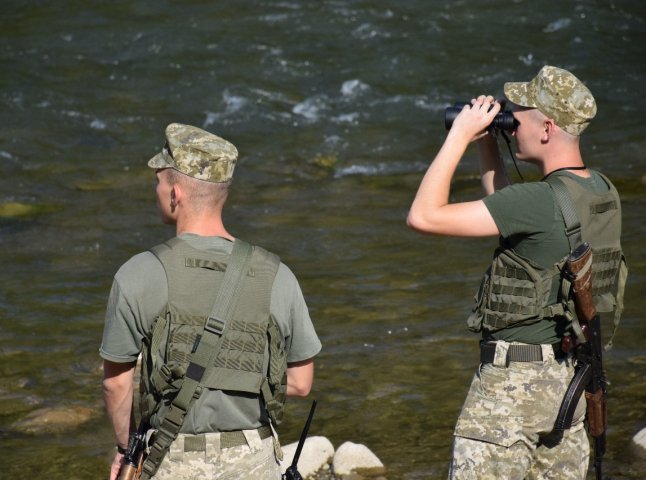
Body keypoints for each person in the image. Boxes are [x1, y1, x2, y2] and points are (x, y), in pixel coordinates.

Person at [407, 66, 626, 479]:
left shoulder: (537, 201)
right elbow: (517, 212)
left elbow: (423, 216)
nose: (511, 124)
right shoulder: (601, 191)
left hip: (510, 395)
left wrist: (457, 137)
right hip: (569, 384)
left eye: (517, 116)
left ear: (546, 127)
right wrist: (488, 143)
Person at [101, 123, 322, 480]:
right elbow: (300, 382)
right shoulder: (278, 275)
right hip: (254, 460)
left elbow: (117, 384)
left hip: (171, 460)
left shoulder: (138, 273)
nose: (156, 190)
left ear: (175, 194)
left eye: (157, 182)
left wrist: (126, 449)